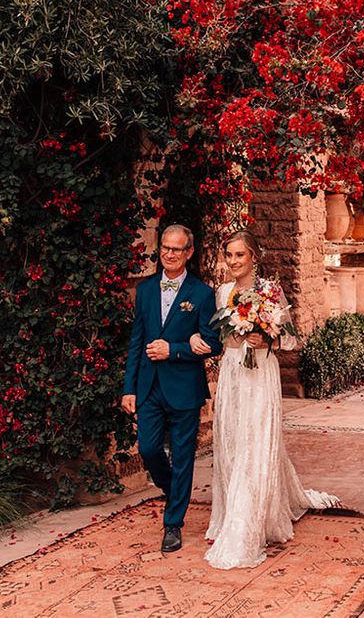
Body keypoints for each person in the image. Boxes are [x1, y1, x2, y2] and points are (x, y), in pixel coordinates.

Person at [190, 230, 339, 570]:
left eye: (239, 255)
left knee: (255, 444)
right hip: (233, 373)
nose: (232, 261)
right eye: (228, 255)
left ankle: (248, 524)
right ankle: (230, 514)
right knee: (231, 444)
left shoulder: (270, 292)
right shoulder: (223, 292)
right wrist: (199, 337)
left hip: (260, 376)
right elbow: (218, 338)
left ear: (253, 257)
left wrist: (266, 339)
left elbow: (289, 340)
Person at [122, 224, 222, 553]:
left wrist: (174, 349)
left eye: (176, 249)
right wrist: (129, 389)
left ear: (189, 253)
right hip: (149, 386)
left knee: (182, 458)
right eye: (165, 247)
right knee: (149, 450)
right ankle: (175, 492)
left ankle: (173, 523)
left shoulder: (202, 294)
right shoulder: (147, 290)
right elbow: (137, 342)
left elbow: (212, 342)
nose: (169, 254)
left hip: (183, 388)